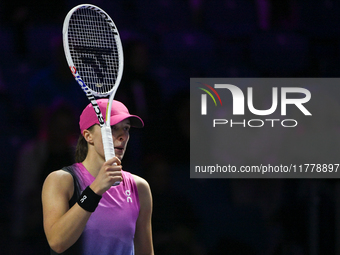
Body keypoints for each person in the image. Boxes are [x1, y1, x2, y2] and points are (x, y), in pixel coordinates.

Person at [41, 99, 154, 255]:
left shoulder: (139, 187)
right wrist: (95, 189)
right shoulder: (61, 180)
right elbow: (57, 243)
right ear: (88, 136)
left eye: (126, 128)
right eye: (113, 128)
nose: (123, 136)